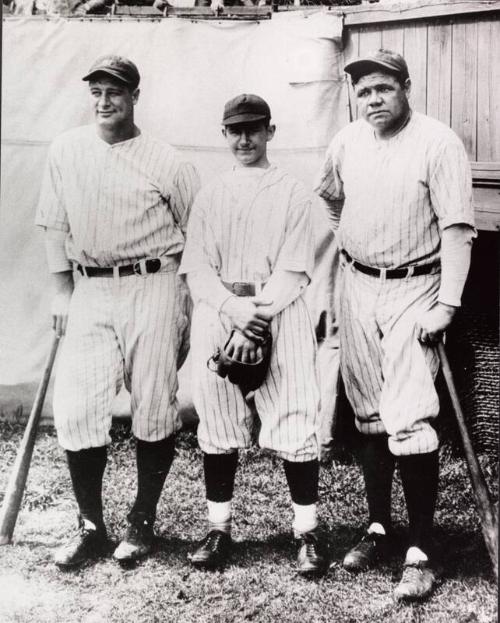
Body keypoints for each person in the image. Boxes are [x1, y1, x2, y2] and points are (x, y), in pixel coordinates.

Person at [314, 49, 475, 600]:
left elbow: (457, 229)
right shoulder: (347, 142)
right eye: (363, 92)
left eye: (383, 88)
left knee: (407, 413)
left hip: (416, 285)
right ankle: (380, 527)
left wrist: (446, 306)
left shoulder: (439, 143)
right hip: (357, 284)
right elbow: (332, 202)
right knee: (367, 414)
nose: (373, 99)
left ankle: (422, 549)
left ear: (406, 87)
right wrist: (349, 256)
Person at [36, 55, 200, 568]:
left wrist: (190, 302)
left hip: (154, 284)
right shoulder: (66, 150)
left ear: (135, 96)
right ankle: (91, 526)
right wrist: (61, 292)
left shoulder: (168, 161)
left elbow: (200, 235)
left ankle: (142, 522)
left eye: (116, 92)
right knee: (78, 408)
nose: (105, 102)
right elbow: (53, 226)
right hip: (90, 287)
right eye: (97, 93)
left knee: (153, 405)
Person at [179, 93, 326, 575]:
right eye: (235, 130)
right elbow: (196, 268)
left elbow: (296, 268)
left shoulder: (294, 192)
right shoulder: (211, 194)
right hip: (221, 311)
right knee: (217, 421)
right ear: (224, 135)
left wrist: (255, 317)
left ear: (270, 131)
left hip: (279, 312)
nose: (244, 139)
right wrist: (232, 309)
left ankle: (307, 532)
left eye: (253, 128)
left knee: (295, 414)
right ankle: (218, 529)